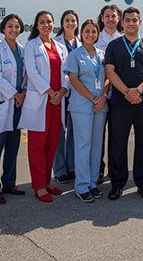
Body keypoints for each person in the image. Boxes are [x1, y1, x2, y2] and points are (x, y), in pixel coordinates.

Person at [105, 7, 143, 200]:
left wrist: (139, 90)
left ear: (139, 23)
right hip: (120, 102)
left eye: (134, 20)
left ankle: (142, 182)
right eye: (127, 20)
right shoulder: (114, 46)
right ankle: (117, 183)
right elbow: (110, 71)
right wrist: (127, 92)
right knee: (118, 142)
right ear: (122, 23)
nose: (130, 23)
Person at [19, 11, 68, 202]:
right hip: (42, 99)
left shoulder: (60, 46)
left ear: (53, 24)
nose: (46, 25)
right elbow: (31, 72)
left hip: (58, 100)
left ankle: (48, 181)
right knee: (36, 145)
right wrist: (50, 92)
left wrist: (62, 91)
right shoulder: (31, 46)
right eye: (42, 22)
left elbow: (67, 72)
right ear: (36, 26)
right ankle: (38, 186)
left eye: (49, 22)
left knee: (52, 144)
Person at [64, 20, 110, 202]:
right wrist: (93, 98)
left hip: (100, 105)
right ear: (81, 33)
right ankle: (81, 185)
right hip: (83, 105)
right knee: (83, 145)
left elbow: (108, 78)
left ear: (98, 34)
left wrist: (104, 96)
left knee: (97, 145)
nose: (91, 34)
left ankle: (92, 182)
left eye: (94, 31)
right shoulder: (75, 55)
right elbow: (74, 80)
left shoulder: (102, 55)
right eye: (87, 31)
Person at [0, 14, 27, 204]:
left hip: (18, 104)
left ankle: (9, 182)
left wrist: (23, 92)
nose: (13, 29)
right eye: (10, 26)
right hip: (2, 103)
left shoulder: (22, 50)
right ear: (3, 28)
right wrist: (15, 94)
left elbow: (25, 75)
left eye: (17, 27)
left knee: (13, 146)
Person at [96, 4, 123, 184]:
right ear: (102, 18)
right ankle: (97, 170)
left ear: (118, 18)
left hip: (118, 95)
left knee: (117, 135)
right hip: (98, 95)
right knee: (98, 135)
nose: (110, 19)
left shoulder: (123, 40)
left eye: (114, 16)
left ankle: (114, 170)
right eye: (107, 16)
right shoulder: (94, 39)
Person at [53, 10, 80, 185]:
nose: (70, 23)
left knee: (74, 134)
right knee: (59, 132)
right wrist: (64, 88)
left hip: (77, 93)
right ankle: (60, 169)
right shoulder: (55, 43)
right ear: (62, 24)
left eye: (73, 20)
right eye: (67, 20)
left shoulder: (81, 43)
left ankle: (72, 167)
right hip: (61, 93)